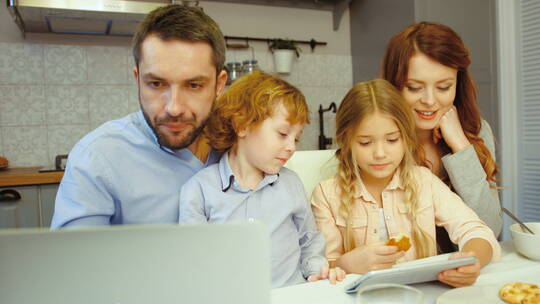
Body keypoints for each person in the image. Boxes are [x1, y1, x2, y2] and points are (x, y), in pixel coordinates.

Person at [310, 79, 500, 288]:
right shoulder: (326, 194)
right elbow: (319, 268)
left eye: (392, 140)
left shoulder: (424, 181)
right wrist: (347, 263)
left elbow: (476, 231)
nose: (380, 153)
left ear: (406, 139)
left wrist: (470, 261)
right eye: (365, 142)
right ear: (346, 141)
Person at [51, 5, 228, 227]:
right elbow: (74, 259)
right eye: (156, 83)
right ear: (137, 79)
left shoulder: (240, 144)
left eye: (193, 85)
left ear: (219, 84)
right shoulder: (97, 159)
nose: (173, 108)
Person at [179, 71, 346, 288]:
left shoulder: (291, 184)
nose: (291, 147)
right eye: (282, 133)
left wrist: (317, 271)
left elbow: (310, 242)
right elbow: (193, 263)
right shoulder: (199, 190)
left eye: (296, 138)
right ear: (242, 125)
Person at [381, 22, 503, 252]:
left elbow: (491, 228)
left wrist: (460, 145)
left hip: (465, 271)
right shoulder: (378, 140)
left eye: (444, 87)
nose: (429, 100)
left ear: (458, 84)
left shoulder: (476, 131)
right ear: (395, 86)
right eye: (415, 87)